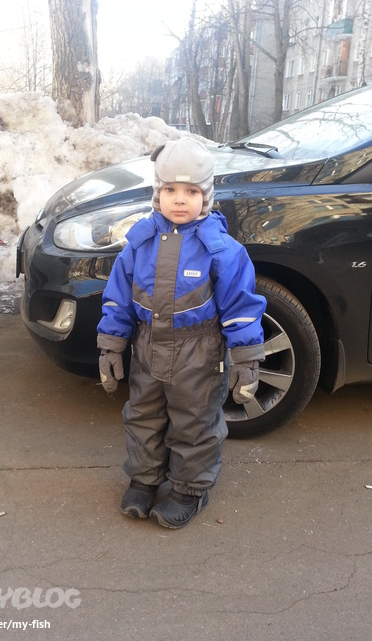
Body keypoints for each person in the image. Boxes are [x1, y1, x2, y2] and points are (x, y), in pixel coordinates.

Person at [96, 137, 266, 529]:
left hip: (199, 352)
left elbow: (241, 307)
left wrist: (246, 359)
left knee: (194, 420)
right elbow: (118, 298)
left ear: (206, 195)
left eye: (191, 191)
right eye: (170, 189)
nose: (179, 200)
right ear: (158, 192)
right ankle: (145, 478)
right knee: (144, 416)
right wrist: (111, 346)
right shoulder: (139, 243)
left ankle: (190, 489)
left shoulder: (221, 250)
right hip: (147, 346)